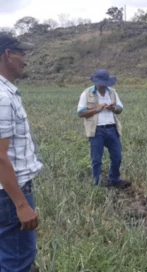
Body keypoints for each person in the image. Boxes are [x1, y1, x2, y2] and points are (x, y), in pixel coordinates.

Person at [0, 32, 43, 272]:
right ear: (8, 55)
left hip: (6, 191)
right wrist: (21, 204)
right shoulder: (2, 96)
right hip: (9, 193)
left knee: (7, 252)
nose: (25, 59)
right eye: (21, 53)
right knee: (17, 259)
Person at [77, 69, 130, 189]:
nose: (103, 85)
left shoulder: (112, 93)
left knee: (117, 156)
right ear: (96, 82)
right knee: (96, 159)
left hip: (112, 129)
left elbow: (120, 109)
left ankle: (114, 179)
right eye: (101, 82)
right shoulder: (87, 93)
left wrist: (113, 108)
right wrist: (97, 109)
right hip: (96, 130)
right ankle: (97, 183)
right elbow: (80, 113)